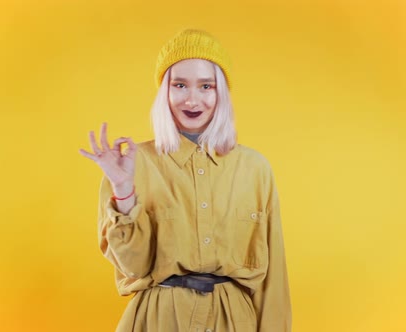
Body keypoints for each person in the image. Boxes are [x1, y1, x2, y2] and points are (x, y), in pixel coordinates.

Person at [80, 29, 291, 332]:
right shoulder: (130, 164)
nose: (192, 99)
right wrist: (124, 191)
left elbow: (274, 280)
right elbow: (133, 267)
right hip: (158, 320)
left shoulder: (255, 169)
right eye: (180, 85)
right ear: (164, 91)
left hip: (233, 321)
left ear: (221, 94)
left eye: (206, 86)